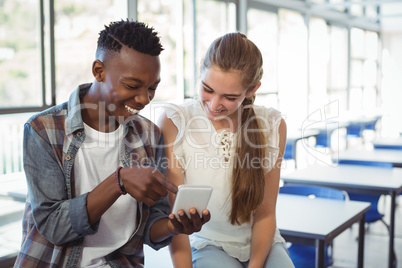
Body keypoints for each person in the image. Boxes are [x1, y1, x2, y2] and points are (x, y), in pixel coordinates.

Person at [14, 20, 209, 268]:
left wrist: (174, 226)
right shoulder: (44, 130)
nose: (144, 99)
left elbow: (151, 225)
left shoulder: (149, 135)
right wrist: (119, 181)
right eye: (132, 85)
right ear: (99, 71)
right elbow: (54, 227)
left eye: (152, 88)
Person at [158, 32, 295, 268]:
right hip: (207, 244)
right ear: (200, 69)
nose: (214, 105)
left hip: (263, 244)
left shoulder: (272, 125)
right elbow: (177, 218)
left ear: (252, 89)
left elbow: (265, 215)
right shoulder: (175, 121)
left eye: (230, 97)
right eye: (207, 89)